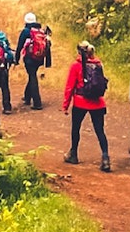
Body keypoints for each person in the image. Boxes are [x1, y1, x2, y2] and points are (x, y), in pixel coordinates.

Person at [63, 40, 111, 170]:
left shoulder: (76, 66)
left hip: (80, 102)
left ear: (79, 51)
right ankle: (105, 158)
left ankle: (73, 154)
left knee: (76, 128)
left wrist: (66, 105)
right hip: (98, 103)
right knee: (100, 131)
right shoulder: (99, 64)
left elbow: (70, 87)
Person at [15, 13, 52, 110]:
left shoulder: (26, 32)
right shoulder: (41, 30)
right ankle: (27, 97)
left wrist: (16, 59)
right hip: (39, 59)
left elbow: (19, 46)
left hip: (29, 58)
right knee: (32, 75)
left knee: (32, 77)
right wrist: (47, 62)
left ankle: (37, 102)